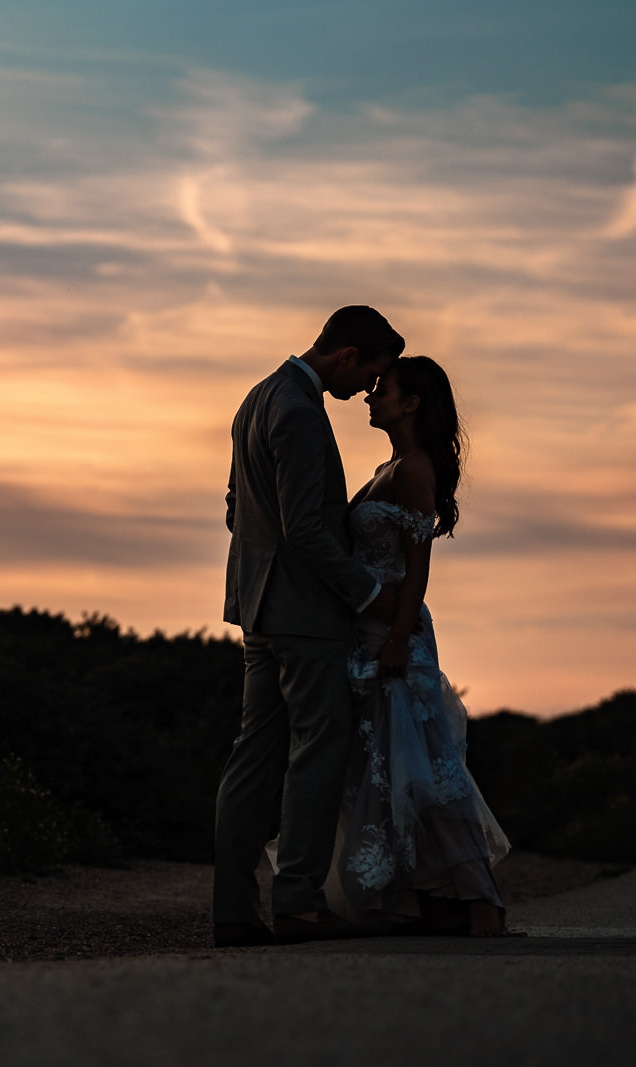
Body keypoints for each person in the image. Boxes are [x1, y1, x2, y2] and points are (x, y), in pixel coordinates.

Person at [214, 305, 405, 948]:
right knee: (317, 754)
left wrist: (259, 578)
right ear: (345, 355)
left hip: (258, 611)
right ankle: (296, 903)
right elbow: (305, 529)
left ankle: (235, 913)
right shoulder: (298, 411)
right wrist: (370, 593)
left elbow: (238, 508)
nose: (363, 392)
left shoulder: (257, 398)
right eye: (367, 374)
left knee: (252, 759)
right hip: (306, 615)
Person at [329, 354, 510, 936]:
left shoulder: (415, 470)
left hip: (394, 633)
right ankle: (410, 902)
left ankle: (480, 905)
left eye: (382, 390)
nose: (369, 397)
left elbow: (417, 567)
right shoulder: (390, 465)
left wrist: (399, 642)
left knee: (423, 765)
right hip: (369, 630)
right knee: (383, 764)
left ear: (412, 404)